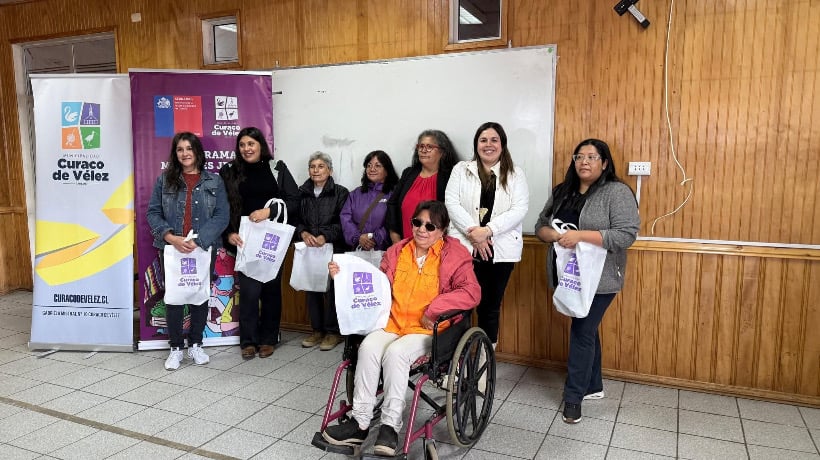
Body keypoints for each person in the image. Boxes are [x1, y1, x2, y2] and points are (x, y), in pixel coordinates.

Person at [323, 201, 480, 456]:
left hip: (428, 330)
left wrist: (436, 308)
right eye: (417, 223)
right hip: (393, 322)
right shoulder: (397, 251)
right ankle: (360, 421)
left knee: (396, 354)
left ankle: (390, 426)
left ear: (443, 230)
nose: (422, 230)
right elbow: (376, 285)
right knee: (370, 347)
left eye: (430, 226)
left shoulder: (456, 255)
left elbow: (471, 292)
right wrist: (342, 275)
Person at [534, 138, 639, 424]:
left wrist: (580, 236)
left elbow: (625, 235)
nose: (584, 162)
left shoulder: (617, 192)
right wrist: (554, 235)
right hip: (565, 273)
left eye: (592, 157)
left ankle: (573, 398)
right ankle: (593, 385)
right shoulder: (562, 191)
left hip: (601, 278)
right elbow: (540, 225)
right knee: (586, 327)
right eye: (579, 156)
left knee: (582, 330)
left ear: (604, 163)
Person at [146, 132, 229, 371]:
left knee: (199, 294)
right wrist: (170, 237)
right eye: (180, 149)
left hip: (202, 248)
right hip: (172, 248)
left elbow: (222, 215)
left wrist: (200, 239)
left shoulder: (214, 181)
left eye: (189, 148)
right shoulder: (165, 181)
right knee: (173, 297)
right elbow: (153, 213)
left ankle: (196, 344)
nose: (185, 153)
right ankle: (175, 349)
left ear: (197, 152)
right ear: (175, 153)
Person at [445, 122, 529, 348]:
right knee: (459, 306)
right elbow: (451, 204)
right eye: (483, 140)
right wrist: (475, 234)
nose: (488, 145)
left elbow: (519, 209)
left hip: (500, 252)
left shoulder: (515, 174)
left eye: (494, 140)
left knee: (489, 308)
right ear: (476, 144)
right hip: (464, 248)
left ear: (503, 145)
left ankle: (483, 364)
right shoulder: (461, 169)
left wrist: (488, 231)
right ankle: (456, 361)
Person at [219, 127, 300, 360]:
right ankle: (249, 340)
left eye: (251, 144)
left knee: (272, 291)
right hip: (244, 240)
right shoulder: (229, 171)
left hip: (273, 241)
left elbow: (294, 200)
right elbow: (221, 207)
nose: (247, 149)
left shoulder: (277, 168)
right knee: (250, 292)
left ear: (261, 146)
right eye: (242, 145)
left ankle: (268, 339)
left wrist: (269, 211)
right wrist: (228, 234)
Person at [296, 152, 350, 351]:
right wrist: (303, 233)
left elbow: (343, 222)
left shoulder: (341, 192)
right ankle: (317, 330)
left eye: (321, 166)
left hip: (334, 248)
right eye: (312, 166)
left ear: (330, 170)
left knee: (333, 292)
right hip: (310, 250)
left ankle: (333, 332)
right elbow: (296, 220)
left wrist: (325, 236)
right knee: (312, 290)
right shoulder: (302, 193)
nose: (316, 170)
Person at [386, 130, 459, 243]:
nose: (423, 150)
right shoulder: (408, 173)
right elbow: (392, 204)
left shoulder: (451, 176)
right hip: (405, 247)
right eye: (421, 146)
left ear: (442, 152)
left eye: (429, 146)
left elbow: (453, 214)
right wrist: (396, 240)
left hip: (437, 249)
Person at [340, 150, 399, 252]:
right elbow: (345, 218)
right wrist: (358, 237)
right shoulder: (355, 194)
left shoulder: (395, 194)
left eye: (378, 166)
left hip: (384, 251)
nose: (372, 169)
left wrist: (376, 237)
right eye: (369, 165)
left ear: (387, 170)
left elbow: (397, 221)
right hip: (358, 250)